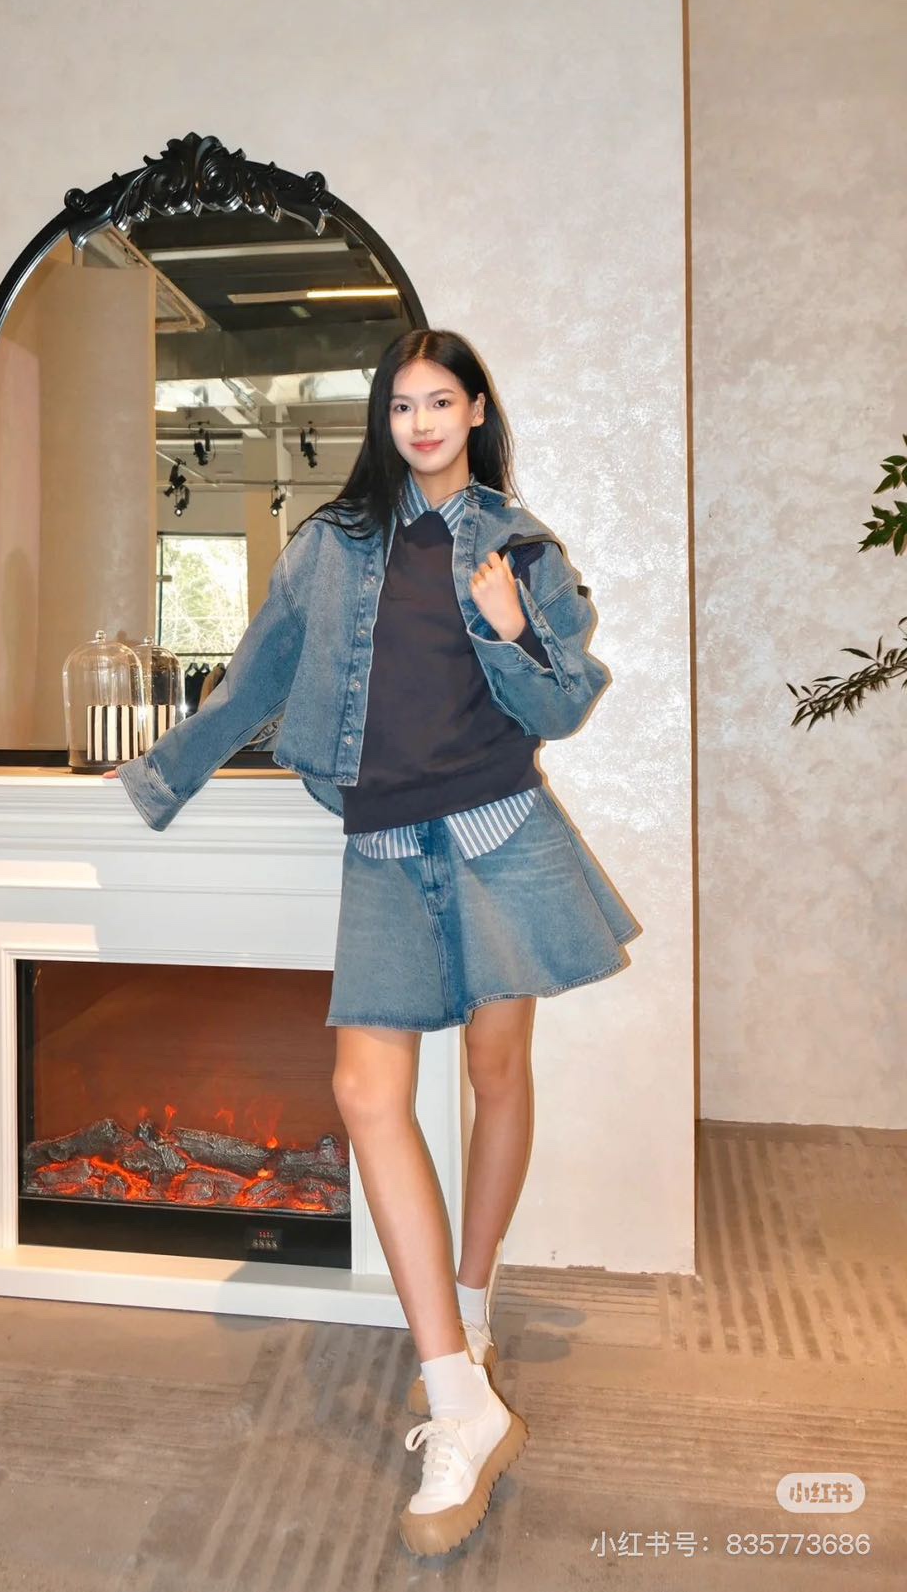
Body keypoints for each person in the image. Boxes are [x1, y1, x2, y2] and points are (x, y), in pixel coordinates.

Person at [108, 326, 642, 1559]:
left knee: (496, 1072)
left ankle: (468, 1311)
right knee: (362, 1093)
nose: (419, 422)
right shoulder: (329, 546)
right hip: (386, 851)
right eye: (400, 404)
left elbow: (564, 698)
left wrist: (507, 625)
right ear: (382, 421)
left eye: (439, 400)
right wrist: (158, 779)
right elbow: (253, 681)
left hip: (497, 835)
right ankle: (462, 1401)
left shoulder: (517, 548)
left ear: (473, 410)